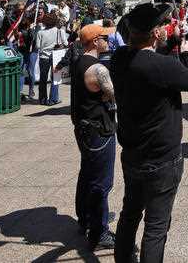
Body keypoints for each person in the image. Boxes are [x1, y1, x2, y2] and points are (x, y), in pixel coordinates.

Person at [110, 3, 188, 263]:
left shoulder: (119, 59)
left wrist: (173, 40)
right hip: (162, 158)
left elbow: (151, 58)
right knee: (156, 226)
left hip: (133, 153)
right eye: (161, 25)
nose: (165, 27)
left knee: (130, 215)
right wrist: (186, 52)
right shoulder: (160, 66)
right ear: (153, 33)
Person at [70, 24, 117, 251]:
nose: (107, 41)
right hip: (99, 130)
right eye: (104, 38)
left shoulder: (79, 61)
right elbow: (112, 95)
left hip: (83, 127)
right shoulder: (98, 69)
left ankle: (86, 218)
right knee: (102, 182)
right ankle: (99, 232)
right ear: (95, 41)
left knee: (87, 173)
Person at [33, 12, 65, 106]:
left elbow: (38, 46)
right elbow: (62, 43)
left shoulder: (40, 32)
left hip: (44, 57)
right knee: (55, 78)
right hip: (55, 56)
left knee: (43, 79)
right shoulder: (58, 30)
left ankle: (43, 99)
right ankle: (53, 99)